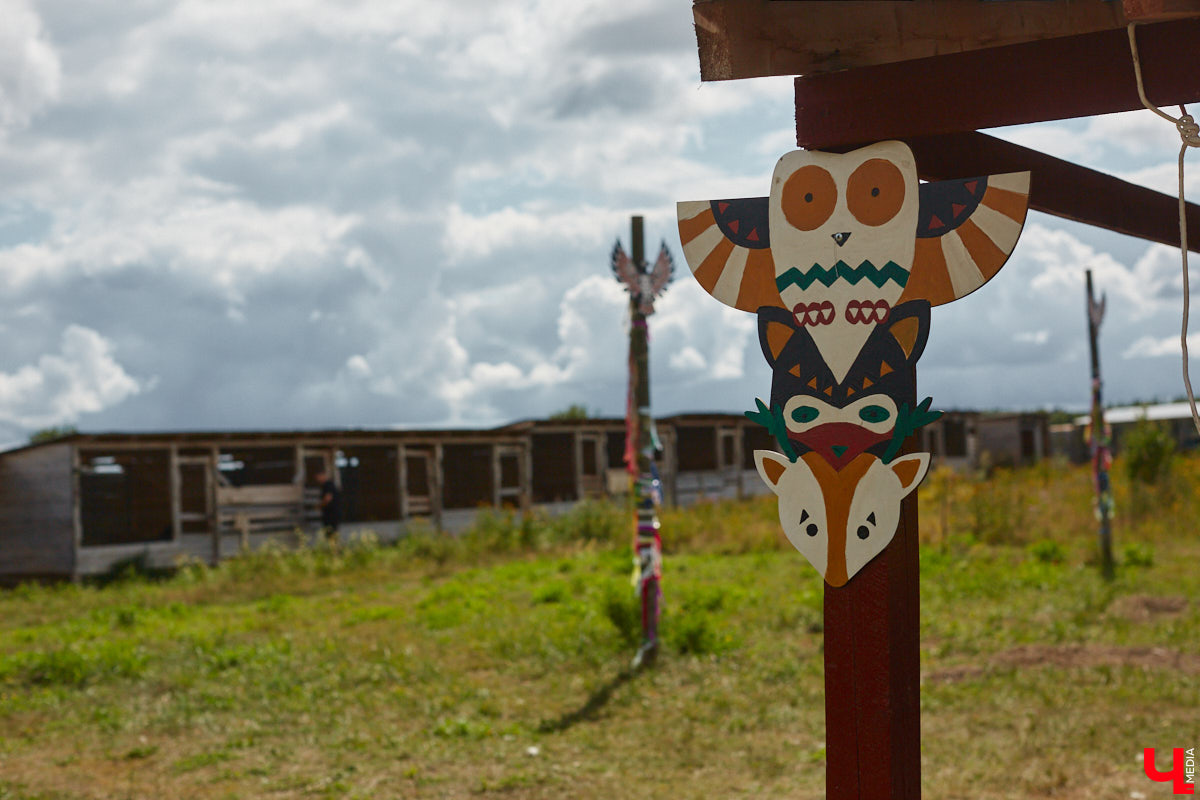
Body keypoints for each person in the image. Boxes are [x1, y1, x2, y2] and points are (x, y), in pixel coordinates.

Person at [314, 469, 341, 544]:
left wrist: (319, 506)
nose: (317, 479)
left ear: (322, 475)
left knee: (331, 533)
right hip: (330, 513)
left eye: (318, 477)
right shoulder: (325, 485)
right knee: (330, 533)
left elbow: (328, 498)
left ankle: (334, 551)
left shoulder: (328, 484)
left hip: (331, 514)